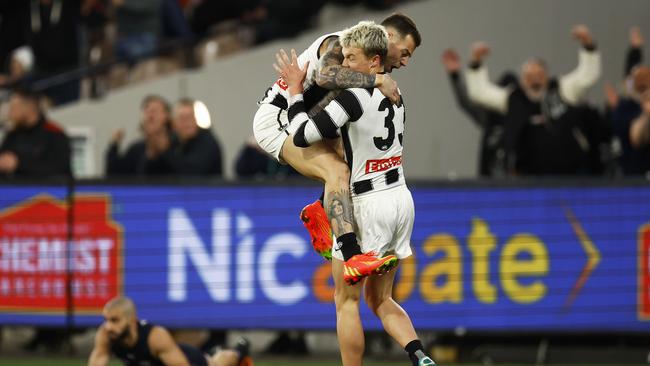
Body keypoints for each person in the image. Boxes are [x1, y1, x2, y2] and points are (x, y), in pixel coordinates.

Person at [275, 21, 434, 366]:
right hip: (401, 200)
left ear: (374, 61)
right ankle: (419, 355)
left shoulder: (352, 96)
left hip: (366, 205)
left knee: (346, 302)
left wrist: (295, 92)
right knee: (381, 300)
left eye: (352, 58)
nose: (345, 66)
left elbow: (303, 135)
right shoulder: (396, 92)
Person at [253, 13, 420, 284]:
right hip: (278, 118)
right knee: (338, 171)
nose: (404, 61)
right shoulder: (341, 44)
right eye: (404, 52)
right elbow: (325, 75)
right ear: (387, 39)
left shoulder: (368, 62)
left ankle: (321, 207)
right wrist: (377, 81)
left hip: (305, 113)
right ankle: (352, 256)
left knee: (354, 159)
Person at [466, 25, 601, 175]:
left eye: (539, 75)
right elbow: (480, 92)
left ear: (547, 77)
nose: (535, 81)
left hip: (567, 175)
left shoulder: (561, 90)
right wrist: (476, 62)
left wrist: (588, 45)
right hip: (527, 178)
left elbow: (587, 76)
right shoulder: (513, 98)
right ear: (522, 80)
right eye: (529, 77)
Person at [87, 296, 252, 366]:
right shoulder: (106, 335)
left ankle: (239, 350)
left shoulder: (155, 337)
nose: (108, 326)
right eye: (106, 320)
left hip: (185, 358)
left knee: (217, 363)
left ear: (131, 320)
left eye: (115, 320)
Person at [440, 48, 516, 177]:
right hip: (488, 181)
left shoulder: (526, 118)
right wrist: (455, 75)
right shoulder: (491, 116)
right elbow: (466, 101)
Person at [0, 87, 71, 178]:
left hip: (47, 190)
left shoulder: (54, 134)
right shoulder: (13, 135)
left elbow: (60, 168)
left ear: (30, 106)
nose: (10, 112)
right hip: (15, 190)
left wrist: (19, 163)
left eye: (14, 106)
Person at [145, 98, 223, 176]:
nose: (187, 122)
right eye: (182, 118)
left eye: (190, 117)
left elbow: (193, 173)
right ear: (173, 123)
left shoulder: (208, 142)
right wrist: (153, 152)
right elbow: (149, 176)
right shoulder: (174, 142)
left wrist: (166, 151)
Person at [105, 94, 172, 176]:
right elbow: (113, 175)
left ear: (167, 116)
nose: (150, 116)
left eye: (155, 111)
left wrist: (164, 153)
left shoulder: (177, 146)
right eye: (147, 112)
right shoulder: (136, 149)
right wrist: (114, 145)